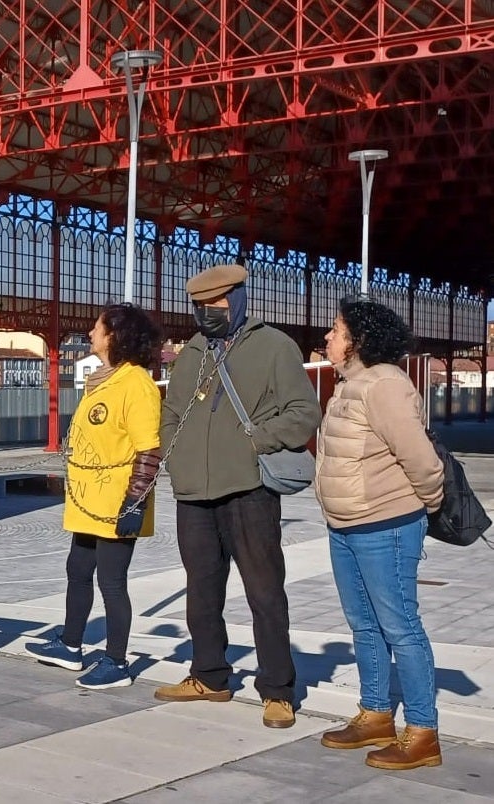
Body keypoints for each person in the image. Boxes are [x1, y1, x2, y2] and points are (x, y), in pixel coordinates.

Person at [156, 264, 320, 729]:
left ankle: (277, 688)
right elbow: (171, 412)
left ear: (239, 300)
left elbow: (304, 413)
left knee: (265, 592)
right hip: (194, 492)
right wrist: (176, 454)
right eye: (201, 307)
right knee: (201, 590)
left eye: (217, 306)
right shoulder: (190, 353)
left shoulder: (273, 347)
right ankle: (209, 674)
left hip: (250, 491)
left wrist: (255, 443)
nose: (208, 314)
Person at [315, 298, 444, 770]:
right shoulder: (351, 385)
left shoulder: (386, 385)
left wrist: (422, 507)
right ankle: (375, 714)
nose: (328, 337)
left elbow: (421, 461)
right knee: (363, 624)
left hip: (385, 524)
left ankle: (423, 732)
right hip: (345, 525)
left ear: (359, 341)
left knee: (400, 627)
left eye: (336, 330)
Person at [24, 303, 163, 689]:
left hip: (116, 501)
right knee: (78, 570)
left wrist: (135, 502)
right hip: (88, 501)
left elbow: (149, 448)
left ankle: (117, 662)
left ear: (115, 335)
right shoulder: (103, 379)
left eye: (97, 328)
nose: (90, 334)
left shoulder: (137, 384)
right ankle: (70, 645)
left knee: (112, 582)